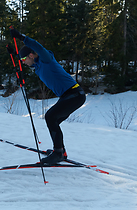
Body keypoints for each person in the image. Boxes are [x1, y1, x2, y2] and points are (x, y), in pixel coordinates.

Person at [10, 28, 86, 164]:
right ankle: (61, 151)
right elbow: (26, 60)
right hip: (68, 95)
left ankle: (58, 153)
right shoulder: (37, 66)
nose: (22, 62)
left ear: (32, 55)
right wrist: (16, 55)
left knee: (51, 117)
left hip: (75, 94)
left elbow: (37, 47)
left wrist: (21, 37)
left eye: (23, 59)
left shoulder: (46, 59)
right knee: (53, 121)